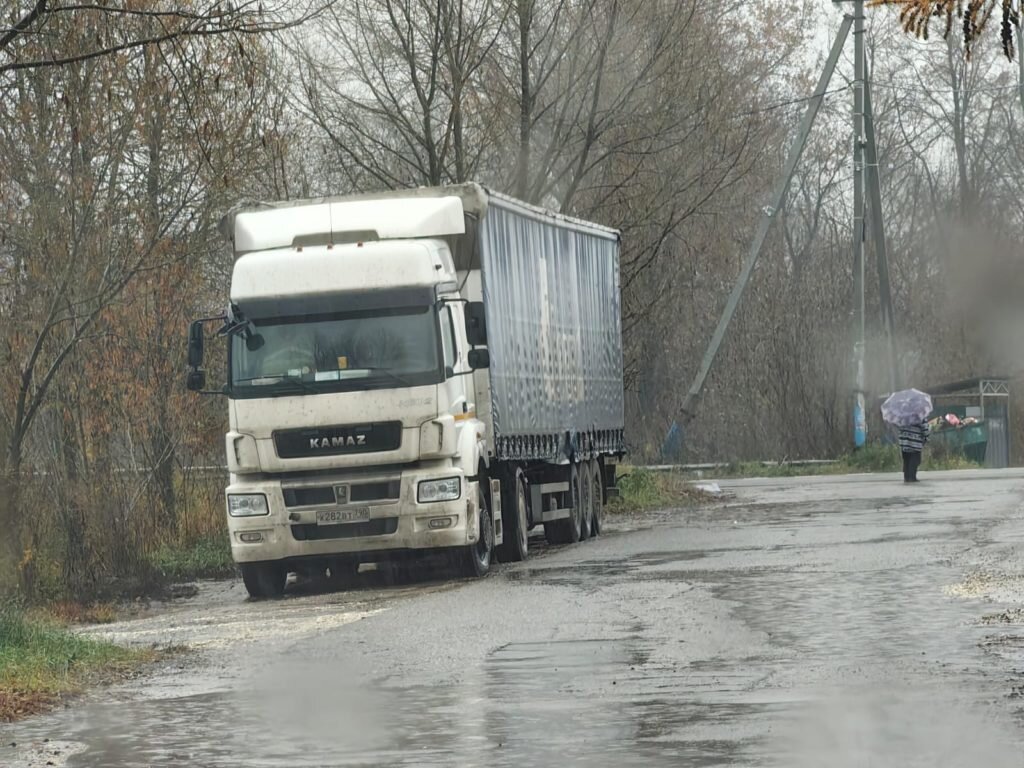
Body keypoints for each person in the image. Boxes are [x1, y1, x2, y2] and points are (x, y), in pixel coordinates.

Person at [898, 418, 929, 483]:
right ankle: (912, 477)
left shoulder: (903, 414)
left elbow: (899, 425)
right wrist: (926, 436)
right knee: (915, 459)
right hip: (915, 440)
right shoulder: (920, 414)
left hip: (904, 441)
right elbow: (924, 427)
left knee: (906, 459)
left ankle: (907, 477)